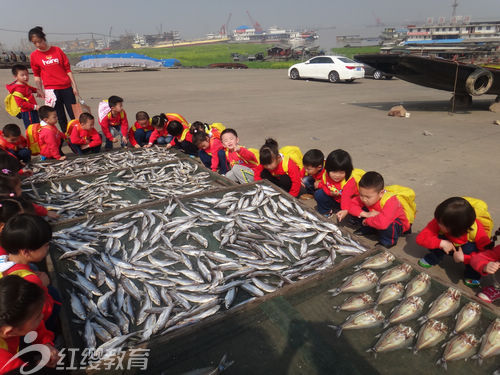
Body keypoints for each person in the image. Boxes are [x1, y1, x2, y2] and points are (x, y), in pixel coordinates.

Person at [0, 214, 61, 333]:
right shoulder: (32, 280)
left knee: (32, 267)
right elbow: (41, 313)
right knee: (54, 295)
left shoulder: (3, 258)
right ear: (26, 252)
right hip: (23, 329)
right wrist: (43, 287)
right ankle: (52, 334)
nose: (48, 248)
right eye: (46, 245)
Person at [417, 197, 491, 287]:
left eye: (441, 223)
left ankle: (472, 275)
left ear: (454, 228)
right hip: (447, 244)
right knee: (435, 238)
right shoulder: (441, 220)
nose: (437, 223)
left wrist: (465, 258)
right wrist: (441, 243)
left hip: (466, 251)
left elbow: (485, 256)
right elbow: (420, 238)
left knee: (471, 250)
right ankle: (433, 258)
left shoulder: (478, 232)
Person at [0, 276, 60, 374]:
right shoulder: (6, 366)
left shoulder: (7, 318)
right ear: (9, 331)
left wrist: (45, 343)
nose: (42, 316)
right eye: (37, 317)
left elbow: (30, 321)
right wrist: (38, 368)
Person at [29, 26, 79, 133]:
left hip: (66, 88)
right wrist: (39, 89)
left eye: (39, 41)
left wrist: (74, 86)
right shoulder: (34, 56)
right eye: (34, 43)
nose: (38, 45)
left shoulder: (57, 50)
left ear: (44, 38)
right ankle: (68, 136)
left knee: (75, 114)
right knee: (59, 117)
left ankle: (79, 134)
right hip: (51, 91)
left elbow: (67, 69)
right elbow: (36, 74)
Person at [348, 171, 412, 248]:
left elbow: (383, 223)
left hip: (397, 223)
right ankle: (371, 229)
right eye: (361, 195)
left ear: (381, 193)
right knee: (357, 211)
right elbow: (351, 205)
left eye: (368, 197)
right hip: (376, 217)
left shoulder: (391, 201)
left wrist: (367, 221)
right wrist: (366, 214)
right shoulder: (368, 194)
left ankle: (388, 241)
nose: (364, 199)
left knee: (389, 224)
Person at [315, 149, 364, 218]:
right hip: (336, 199)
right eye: (334, 172)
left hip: (348, 202)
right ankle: (326, 212)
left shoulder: (349, 181)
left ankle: (350, 216)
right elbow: (324, 185)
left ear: (347, 171)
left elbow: (346, 197)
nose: (337, 175)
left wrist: (345, 210)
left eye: (341, 172)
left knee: (355, 206)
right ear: (328, 169)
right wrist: (330, 193)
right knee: (319, 193)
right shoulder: (326, 175)